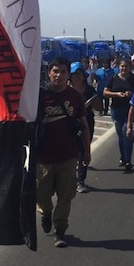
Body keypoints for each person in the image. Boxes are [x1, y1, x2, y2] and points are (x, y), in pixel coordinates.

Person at [36, 57, 91, 248]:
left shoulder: (75, 97)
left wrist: (87, 151)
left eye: (63, 72)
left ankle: (59, 231)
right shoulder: (39, 96)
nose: (59, 75)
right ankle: (46, 213)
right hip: (43, 157)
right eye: (55, 71)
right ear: (49, 72)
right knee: (42, 194)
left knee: (65, 196)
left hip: (68, 156)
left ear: (68, 75)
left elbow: (83, 124)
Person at [69, 61, 102, 193]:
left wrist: (95, 101)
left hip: (86, 123)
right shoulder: (65, 90)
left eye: (80, 74)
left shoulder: (89, 90)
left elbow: (99, 108)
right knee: (70, 152)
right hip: (68, 125)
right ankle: (69, 178)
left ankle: (80, 180)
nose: (77, 77)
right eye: (74, 74)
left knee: (83, 151)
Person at [104, 59, 134, 172]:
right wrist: (116, 94)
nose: (124, 69)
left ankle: (128, 159)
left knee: (127, 132)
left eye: (126, 66)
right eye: (122, 66)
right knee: (121, 135)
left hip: (130, 109)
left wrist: (132, 94)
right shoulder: (114, 78)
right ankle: (123, 157)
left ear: (130, 67)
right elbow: (105, 92)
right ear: (119, 67)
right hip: (116, 109)